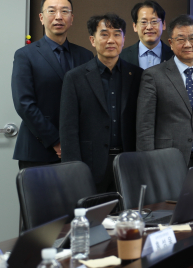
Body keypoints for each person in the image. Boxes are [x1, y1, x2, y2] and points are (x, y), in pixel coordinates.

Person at [60, 14, 142, 192]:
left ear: (124, 39)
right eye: (104, 34)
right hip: (90, 164)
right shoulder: (75, 77)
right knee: (93, 209)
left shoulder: (137, 75)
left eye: (117, 34)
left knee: (128, 209)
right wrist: (72, 170)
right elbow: (68, 129)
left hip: (129, 162)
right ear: (92, 40)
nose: (111, 40)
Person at [12, 0, 93, 170]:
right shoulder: (25, 55)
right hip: (37, 150)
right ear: (41, 18)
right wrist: (55, 140)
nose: (58, 17)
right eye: (51, 11)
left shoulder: (85, 56)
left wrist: (72, 142)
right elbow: (24, 104)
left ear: (72, 18)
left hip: (77, 150)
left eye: (64, 11)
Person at [136, 15, 193, 168]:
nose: (187, 44)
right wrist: (147, 165)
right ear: (171, 43)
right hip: (165, 160)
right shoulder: (153, 75)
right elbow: (145, 127)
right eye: (180, 39)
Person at [120, 0, 173, 69]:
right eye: (143, 22)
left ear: (163, 24)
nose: (149, 27)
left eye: (154, 21)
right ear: (135, 26)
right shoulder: (121, 57)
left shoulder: (175, 56)